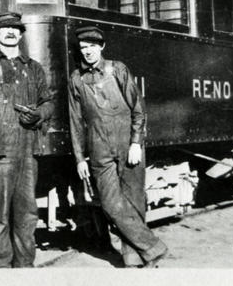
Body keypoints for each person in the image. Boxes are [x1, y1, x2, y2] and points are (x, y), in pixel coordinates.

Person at [67, 25, 168, 268]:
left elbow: (138, 109)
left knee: (134, 200)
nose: (87, 52)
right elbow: (75, 121)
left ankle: (133, 258)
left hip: (127, 145)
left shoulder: (118, 69)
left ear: (101, 47)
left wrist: (136, 143)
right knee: (111, 204)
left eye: (92, 46)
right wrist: (80, 158)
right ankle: (153, 247)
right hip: (98, 148)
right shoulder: (76, 79)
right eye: (83, 48)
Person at [0, 12, 54, 268]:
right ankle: (0, 268)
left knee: (27, 214)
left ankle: (24, 267)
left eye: (15, 28)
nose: (10, 32)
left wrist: (39, 114)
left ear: (21, 33)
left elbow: (48, 102)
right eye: (4, 28)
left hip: (28, 153)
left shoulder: (34, 68)